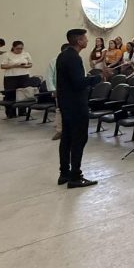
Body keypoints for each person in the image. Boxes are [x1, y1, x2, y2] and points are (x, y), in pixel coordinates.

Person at [57, 29, 102, 188]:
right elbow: (78, 83)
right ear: (78, 41)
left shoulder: (62, 55)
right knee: (78, 139)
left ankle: (64, 173)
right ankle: (75, 176)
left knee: (66, 138)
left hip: (66, 104)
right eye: (85, 38)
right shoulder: (74, 58)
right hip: (76, 105)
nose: (87, 41)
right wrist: (97, 78)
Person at [0, 40, 33, 119]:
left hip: (24, 76)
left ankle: (22, 111)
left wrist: (25, 66)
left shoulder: (26, 54)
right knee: (10, 95)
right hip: (10, 77)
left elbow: (30, 64)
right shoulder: (7, 54)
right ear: (13, 47)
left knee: (23, 94)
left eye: (21, 48)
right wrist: (14, 65)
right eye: (17, 48)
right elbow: (2, 66)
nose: (19, 50)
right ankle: (10, 113)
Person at [47, 43, 69, 141]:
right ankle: (60, 130)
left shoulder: (77, 59)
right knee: (60, 110)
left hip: (74, 90)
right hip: (59, 89)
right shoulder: (54, 61)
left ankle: (72, 130)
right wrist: (53, 90)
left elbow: (83, 74)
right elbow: (49, 77)